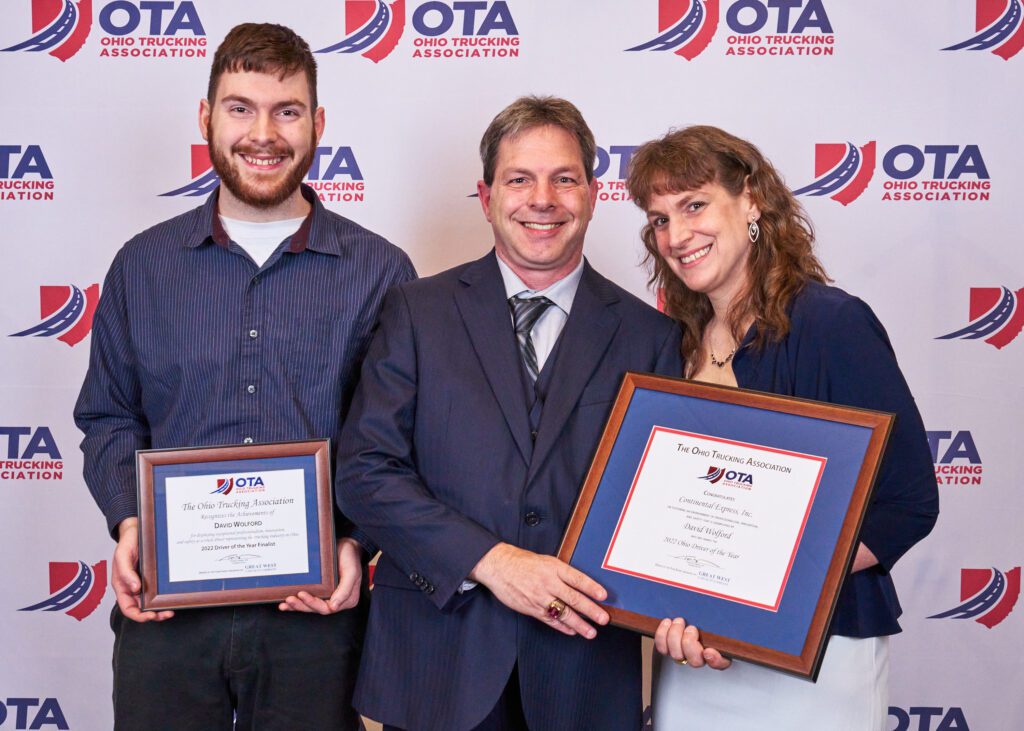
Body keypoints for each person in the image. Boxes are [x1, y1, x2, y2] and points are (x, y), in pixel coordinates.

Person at [74, 23, 415, 730]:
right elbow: (108, 417)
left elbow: (396, 437)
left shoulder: (380, 273)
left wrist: (355, 541)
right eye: (240, 108)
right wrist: (131, 519)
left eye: (287, 110)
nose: (264, 133)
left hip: (317, 618)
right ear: (205, 118)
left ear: (317, 123)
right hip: (167, 612)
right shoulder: (143, 266)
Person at [335, 96, 683, 731]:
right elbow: (365, 472)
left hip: (584, 669)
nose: (542, 198)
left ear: (593, 192)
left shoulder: (649, 336)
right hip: (438, 662)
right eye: (519, 178)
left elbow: (663, 504)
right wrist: (492, 561)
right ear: (487, 193)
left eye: (564, 178)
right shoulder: (416, 312)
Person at [624, 125, 939, 730]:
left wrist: (768, 585)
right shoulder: (673, 344)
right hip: (695, 656)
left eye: (694, 205)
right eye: (660, 219)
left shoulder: (831, 324)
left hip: (817, 658)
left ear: (751, 200)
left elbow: (909, 503)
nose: (677, 234)